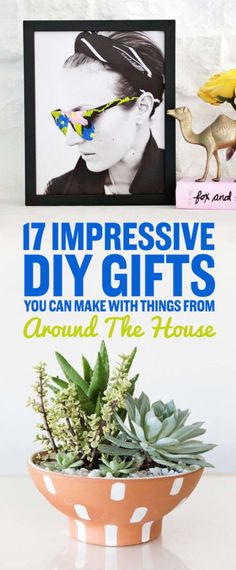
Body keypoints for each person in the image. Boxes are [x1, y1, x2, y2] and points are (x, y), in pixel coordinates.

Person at [45, 30, 165, 196]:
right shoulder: (57, 192)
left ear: (142, 107)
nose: (70, 140)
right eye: (62, 119)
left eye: (85, 116)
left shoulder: (180, 185)